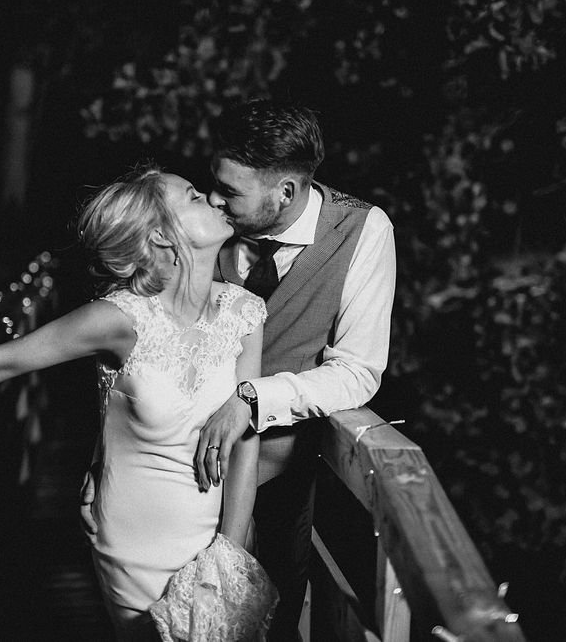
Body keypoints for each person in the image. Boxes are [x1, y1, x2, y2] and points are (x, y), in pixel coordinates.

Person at [0, 166, 271, 641]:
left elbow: (246, 437)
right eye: (194, 196)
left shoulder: (243, 313)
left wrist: (230, 549)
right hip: (136, 548)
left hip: (219, 535)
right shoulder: (122, 319)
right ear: (162, 235)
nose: (215, 199)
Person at [81, 101, 397, 640]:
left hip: (275, 482)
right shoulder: (204, 227)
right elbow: (139, 349)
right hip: (164, 493)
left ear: (286, 192)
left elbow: (358, 372)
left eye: (230, 191)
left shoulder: (362, 232)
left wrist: (252, 399)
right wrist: (105, 459)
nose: (214, 198)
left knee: (261, 625)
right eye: (212, 184)